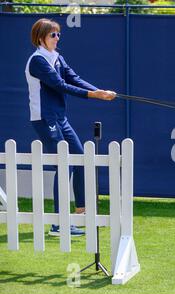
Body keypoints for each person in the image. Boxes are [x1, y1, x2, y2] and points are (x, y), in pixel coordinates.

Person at [25, 18, 116, 237]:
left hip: (60, 118)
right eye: (53, 35)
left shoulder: (57, 57)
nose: (57, 38)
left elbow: (74, 78)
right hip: (45, 119)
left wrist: (99, 91)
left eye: (58, 34)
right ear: (41, 39)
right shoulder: (38, 61)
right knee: (64, 166)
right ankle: (58, 224)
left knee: (80, 158)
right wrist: (93, 95)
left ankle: (80, 211)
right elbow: (59, 85)